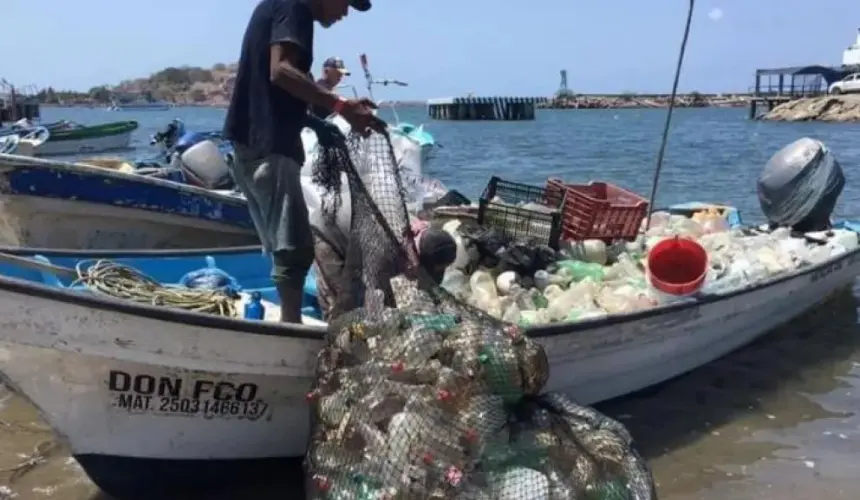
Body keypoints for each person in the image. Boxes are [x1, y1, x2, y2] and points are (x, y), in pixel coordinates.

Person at [222, 0, 386, 323]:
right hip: (267, 144)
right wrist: (340, 106)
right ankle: (290, 327)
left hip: (257, 141)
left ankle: (289, 320)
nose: (345, 13)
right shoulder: (293, 6)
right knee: (294, 247)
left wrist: (317, 124)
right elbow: (280, 71)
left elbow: (281, 91)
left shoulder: (288, 9)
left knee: (289, 243)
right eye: (346, 2)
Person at [311, 203, 458, 320]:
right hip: (327, 231)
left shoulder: (417, 235)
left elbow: (394, 289)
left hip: (358, 236)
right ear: (417, 259)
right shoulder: (385, 251)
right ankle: (329, 338)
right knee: (341, 300)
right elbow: (375, 294)